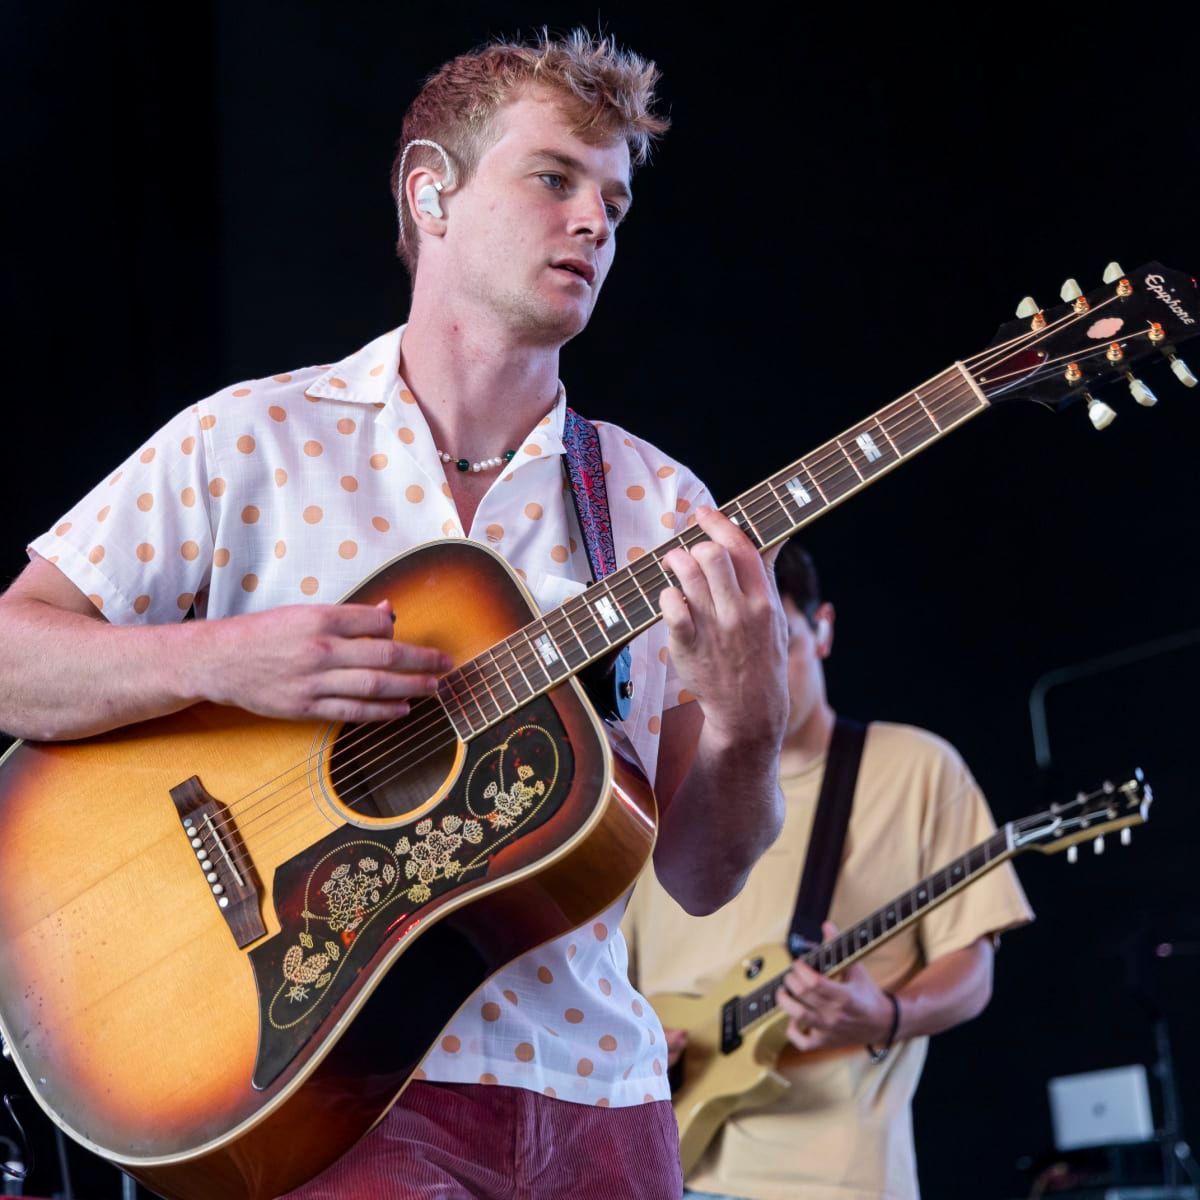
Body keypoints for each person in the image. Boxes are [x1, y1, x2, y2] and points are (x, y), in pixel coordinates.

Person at [0, 30, 789, 1200]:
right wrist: (228, 660)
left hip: (597, 1100)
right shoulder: (246, 442)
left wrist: (749, 722)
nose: (594, 223)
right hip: (330, 1089)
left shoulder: (660, 505)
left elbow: (704, 876)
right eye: (553, 178)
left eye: (615, 202)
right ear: (432, 192)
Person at [623, 541, 1034, 1200]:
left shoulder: (917, 766)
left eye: (769, 647)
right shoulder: (650, 792)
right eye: (722, 656)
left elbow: (973, 964)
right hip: (659, 1170)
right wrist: (637, 1042)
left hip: (834, 1178)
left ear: (823, 631)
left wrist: (889, 1015)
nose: (747, 677)